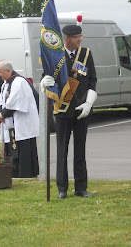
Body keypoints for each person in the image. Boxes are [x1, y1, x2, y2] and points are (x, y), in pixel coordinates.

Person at [41, 24, 97, 199]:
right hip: (62, 109)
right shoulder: (55, 55)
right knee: (61, 151)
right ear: (67, 38)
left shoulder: (86, 54)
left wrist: (89, 103)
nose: (80, 39)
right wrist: (44, 83)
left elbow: (92, 81)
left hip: (81, 109)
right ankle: (62, 188)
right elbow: (46, 78)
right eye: (77, 37)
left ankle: (81, 188)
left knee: (80, 150)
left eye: (81, 36)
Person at [0, 60, 39, 178]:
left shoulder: (19, 82)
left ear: (8, 70)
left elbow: (14, 104)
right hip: (11, 125)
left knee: (23, 153)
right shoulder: (6, 84)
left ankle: (25, 175)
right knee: (12, 152)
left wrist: (1, 116)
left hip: (22, 126)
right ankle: (14, 174)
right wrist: (1, 112)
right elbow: (0, 101)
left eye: (0, 72)